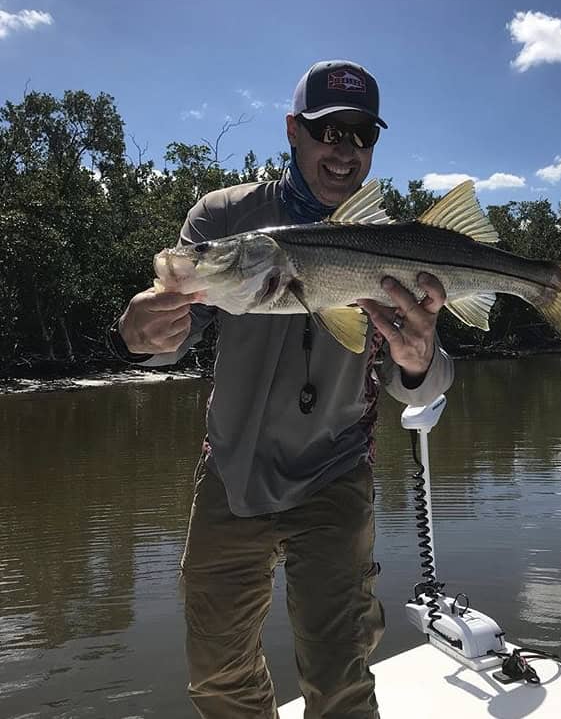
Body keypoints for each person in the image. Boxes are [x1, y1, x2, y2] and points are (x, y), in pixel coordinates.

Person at [108, 60, 454, 719]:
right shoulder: (227, 218)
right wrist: (136, 329)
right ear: (294, 130)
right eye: (328, 130)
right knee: (217, 673)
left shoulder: (389, 243)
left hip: (335, 471)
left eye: (360, 135)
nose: (343, 150)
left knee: (339, 672)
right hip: (231, 470)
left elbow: (424, 386)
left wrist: (417, 358)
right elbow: (170, 336)